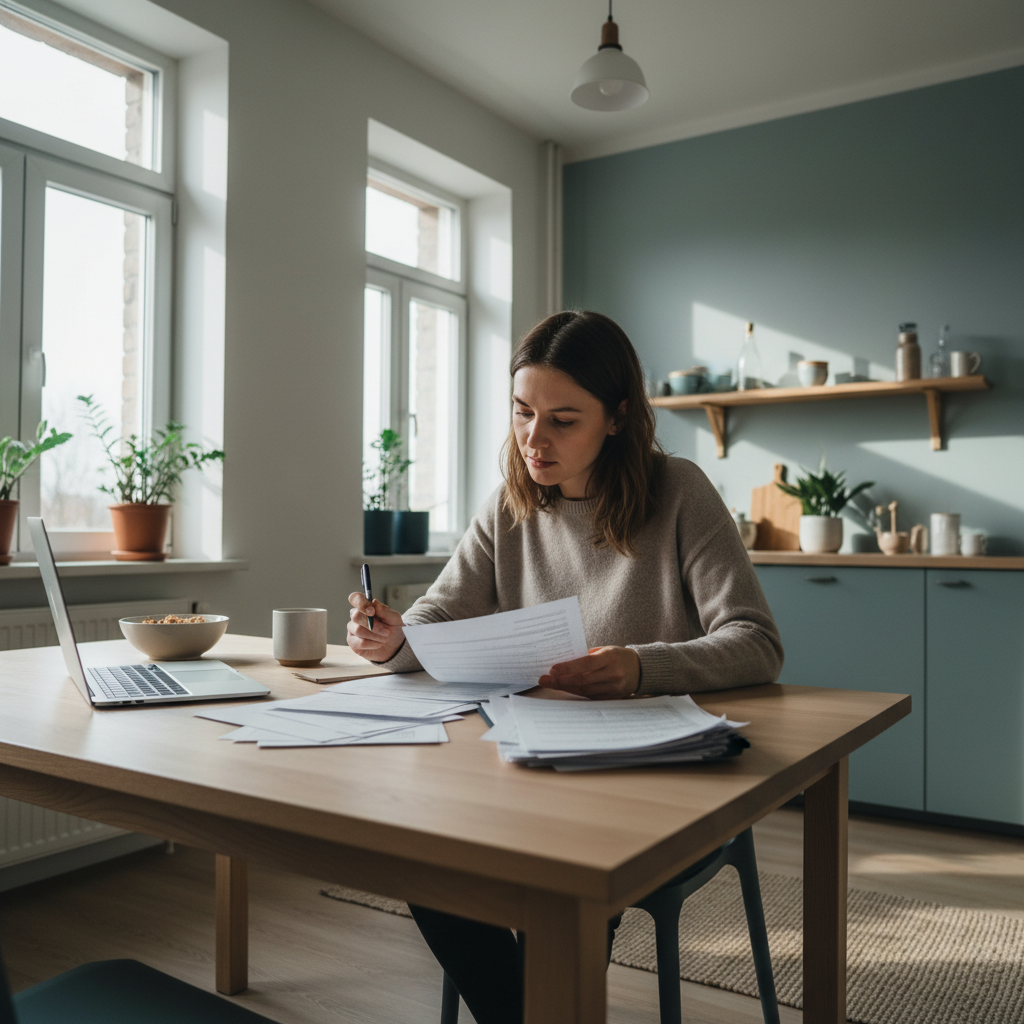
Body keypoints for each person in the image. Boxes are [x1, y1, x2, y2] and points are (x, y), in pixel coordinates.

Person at [347, 310, 783, 1024]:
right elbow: (438, 614)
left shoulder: (679, 491)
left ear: (617, 418)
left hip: (649, 775)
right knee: (423, 855)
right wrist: (393, 640)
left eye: (562, 420)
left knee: (562, 873)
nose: (533, 439)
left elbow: (756, 642)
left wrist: (638, 668)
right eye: (522, 412)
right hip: (532, 764)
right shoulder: (509, 504)